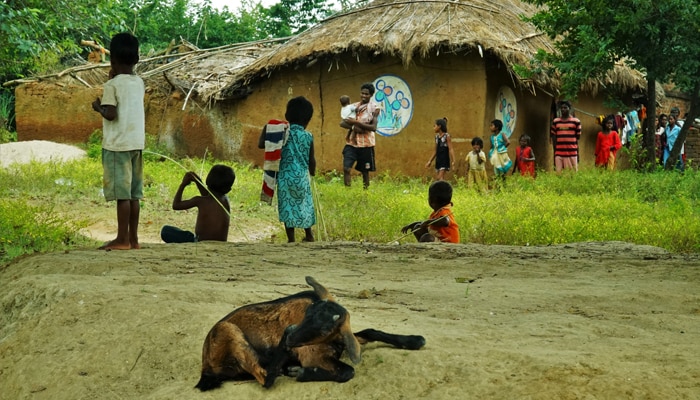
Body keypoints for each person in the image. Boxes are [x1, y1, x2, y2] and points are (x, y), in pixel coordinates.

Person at [91, 32, 145, 250]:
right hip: (136, 144)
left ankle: (121, 239)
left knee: (122, 196)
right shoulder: (139, 82)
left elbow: (111, 114)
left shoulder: (111, 86)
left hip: (117, 146)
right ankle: (133, 239)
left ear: (112, 60)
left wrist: (98, 108)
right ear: (137, 59)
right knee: (133, 196)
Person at [258, 96, 317, 243]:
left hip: (285, 177)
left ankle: (291, 239)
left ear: (286, 116)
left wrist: (268, 128)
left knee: (287, 206)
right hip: (302, 177)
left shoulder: (281, 133)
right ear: (308, 120)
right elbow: (312, 159)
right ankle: (309, 235)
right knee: (305, 205)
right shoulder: (308, 136)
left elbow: (261, 144)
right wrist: (312, 172)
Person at [160, 165, 235, 243]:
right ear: (228, 190)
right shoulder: (225, 201)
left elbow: (176, 205)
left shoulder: (199, 200)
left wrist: (183, 185)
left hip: (199, 243)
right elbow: (209, 196)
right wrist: (197, 180)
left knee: (166, 231)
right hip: (221, 245)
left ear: (207, 181)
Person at [341, 82, 380, 188]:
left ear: (371, 95)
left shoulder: (374, 109)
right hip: (352, 143)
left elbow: (373, 127)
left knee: (365, 171)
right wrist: (353, 127)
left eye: (366, 94)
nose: (363, 96)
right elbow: (343, 122)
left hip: (366, 144)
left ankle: (365, 194)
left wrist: (356, 122)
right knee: (346, 168)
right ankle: (347, 192)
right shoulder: (353, 107)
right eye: (362, 93)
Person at [550, 100, 582, 173]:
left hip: (572, 153)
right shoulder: (556, 121)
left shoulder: (576, 121)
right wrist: (556, 149)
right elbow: (553, 135)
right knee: (559, 174)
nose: (563, 109)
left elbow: (578, 137)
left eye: (565, 108)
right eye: (562, 108)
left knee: (572, 175)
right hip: (559, 153)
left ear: (569, 109)